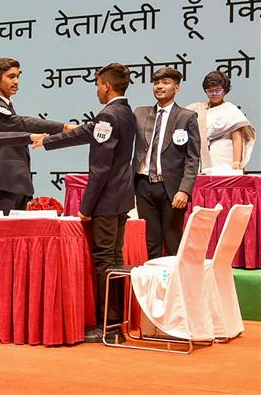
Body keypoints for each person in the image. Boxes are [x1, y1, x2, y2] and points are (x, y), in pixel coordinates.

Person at [34, 63, 136, 344]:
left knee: (104, 263)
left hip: (105, 202)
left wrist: (85, 207)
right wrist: (49, 140)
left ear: (105, 85)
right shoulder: (126, 112)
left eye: (96, 85)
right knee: (114, 260)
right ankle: (116, 325)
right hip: (122, 198)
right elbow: (85, 133)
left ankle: (108, 327)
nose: (96, 90)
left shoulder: (107, 115)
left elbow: (100, 169)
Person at [0, 58, 75, 215]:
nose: (16, 81)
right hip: (6, 182)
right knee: (6, 235)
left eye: (18, 76)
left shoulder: (8, 107)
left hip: (20, 183)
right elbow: (23, 123)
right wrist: (64, 127)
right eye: (11, 77)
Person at [133, 67, 200, 260]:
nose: (160, 87)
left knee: (172, 242)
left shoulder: (186, 117)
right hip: (143, 185)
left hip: (172, 189)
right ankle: (155, 289)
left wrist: (185, 190)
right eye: (156, 83)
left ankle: (174, 289)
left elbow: (193, 158)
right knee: (150, 243)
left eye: (165, 83)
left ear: (176, 88)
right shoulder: (141, 113)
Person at [187, 70, 256, 173]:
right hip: (204, 160)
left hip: (226, 160)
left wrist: (236, 162)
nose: (214, 94)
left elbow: (237, 136)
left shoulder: (231, 109)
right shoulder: (198, 108)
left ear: (225, 91)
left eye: (218, 91)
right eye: (210, 91)